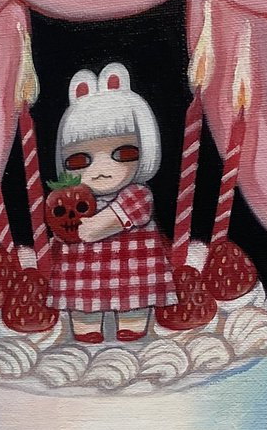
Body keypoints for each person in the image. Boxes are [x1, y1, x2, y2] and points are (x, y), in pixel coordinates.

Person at [47, 63, 176, 343]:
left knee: (134, 301)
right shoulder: (71, 199)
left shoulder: (138, 194)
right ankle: (86, 324)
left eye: (123, 153)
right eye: (80, 159)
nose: (101, 169)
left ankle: (132, 322)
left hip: (133, 271)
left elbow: (112, 220)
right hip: (83, 274)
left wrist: (93, 226)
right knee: (82, 303)